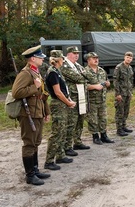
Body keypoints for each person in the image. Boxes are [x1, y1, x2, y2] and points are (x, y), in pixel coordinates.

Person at [11, 45, 51, 185]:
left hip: (37, 112)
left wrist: (46, 111)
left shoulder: (36, 72)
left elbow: (42, 95)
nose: (42, 59)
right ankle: (30, 175)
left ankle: (35, 170)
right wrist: (35, 86)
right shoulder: (25, 73)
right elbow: (16, 92)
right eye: (40, 57)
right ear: (33, 58)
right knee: (29, 143)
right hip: (28, 114)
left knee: (36, 142)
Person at [44, 50, 77, 171]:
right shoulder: (52, 72)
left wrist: (68, 100)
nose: (63, 61)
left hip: (62, 104)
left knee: (62, 130)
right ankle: (49, 160)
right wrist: (68, 102)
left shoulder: (57, 71)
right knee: (57, 132)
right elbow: (57, 92)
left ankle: (60, 155)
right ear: (58, 60)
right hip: (58, 105)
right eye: (62, 59)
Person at [60, 46, 90, 155]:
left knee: (80, 120)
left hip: (81, 96)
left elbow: (87, 76)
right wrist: (84, 76)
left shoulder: (77, 65)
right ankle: (67, 146)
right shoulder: (65, 65)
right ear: (68, 54)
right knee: (71, 122)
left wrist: (85, 76)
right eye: (74, 53)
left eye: (77, 53)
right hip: (71, 97)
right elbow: (80, 78)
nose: (77, 55)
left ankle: (77, 141)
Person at [84, 52, 114, 144]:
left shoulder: (101, 70)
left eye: (97, 58)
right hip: (92, 100)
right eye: (93, 58)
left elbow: (106, 80)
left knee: (103, 118)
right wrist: (94, 86)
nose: (96, 60)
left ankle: (104, 135)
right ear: (88, 60)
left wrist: (108, 83)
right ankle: (95, 136)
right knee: (93, 119)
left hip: (102, 99)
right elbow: (83, 85)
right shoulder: (85, 71)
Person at [113, 51, 134, 137]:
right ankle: (119, 129)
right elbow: (115, 81)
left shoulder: (130, 68)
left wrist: (131, 92)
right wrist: (117, 93)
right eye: (127, 57)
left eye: (130, 58)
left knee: (126, 111)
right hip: (121, 93)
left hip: (127, 93)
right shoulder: (119, 67)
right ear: (124, 57)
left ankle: (124, 126)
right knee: (120, 111)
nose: (128, 59)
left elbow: (130, 81)